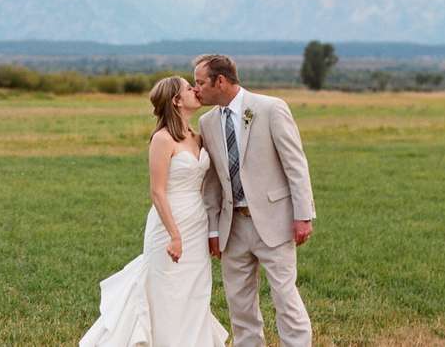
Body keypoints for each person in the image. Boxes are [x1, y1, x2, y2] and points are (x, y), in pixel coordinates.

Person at [80, 76, 228, 346]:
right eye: (188, 88)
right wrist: (175, 236)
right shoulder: (162, 139)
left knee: (193, 292)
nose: (195, 90)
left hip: (197, 222)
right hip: (169, 224)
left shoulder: (198, 137)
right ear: (176, 100)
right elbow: (157, 192)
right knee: (166, 292)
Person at [193, 54, 316, 347]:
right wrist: (213, 230)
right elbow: (211, 183)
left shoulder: (270, 108)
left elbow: (295, 164)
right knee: (240, 305)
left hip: (276, 222)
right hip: (231, 228)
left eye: (199, 82)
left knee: (285, 298)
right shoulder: (207, 122)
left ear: (219, 81)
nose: (195, 89)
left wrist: (303, 215)